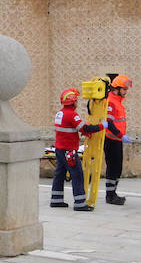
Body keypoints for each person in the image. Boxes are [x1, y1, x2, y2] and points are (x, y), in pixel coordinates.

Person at [50, 87, 102, 211]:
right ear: (72, 101)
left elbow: (69, 129)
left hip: (59, 149)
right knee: (77, 174)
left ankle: (56, 200)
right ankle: (80, 203)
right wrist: (102, 125)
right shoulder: (72, 115)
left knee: (59, 174)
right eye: (76, 100)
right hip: (69, 151)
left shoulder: (60, 113)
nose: (77, 102)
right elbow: (85, 128)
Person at [104, 74, 132, 204]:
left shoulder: (118, 102)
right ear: (117, 88)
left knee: (117, 167)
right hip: (111, 139)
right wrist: (121, 136)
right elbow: (109, 123)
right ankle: (110, 195)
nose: (126, 92)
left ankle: (113, 193)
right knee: (113, 167)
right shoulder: (111, 101)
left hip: (117, 139)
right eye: (124, 89)